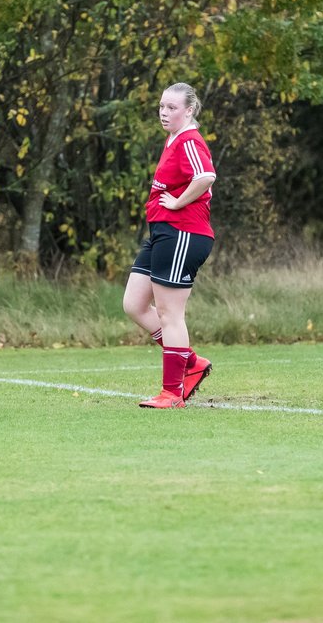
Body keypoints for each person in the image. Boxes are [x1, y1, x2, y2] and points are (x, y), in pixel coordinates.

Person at [123, 82, 217, 408]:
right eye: (162, 106)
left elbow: (206, 176)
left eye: (172, 108)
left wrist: (177, 203)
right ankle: (190, 362)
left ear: (189, 110)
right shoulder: (173, 138)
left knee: (169, 315)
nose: (164, 112)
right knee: (134, 304)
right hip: (163, 232)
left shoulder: (190, 139)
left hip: (183, 233)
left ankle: (171, 393)